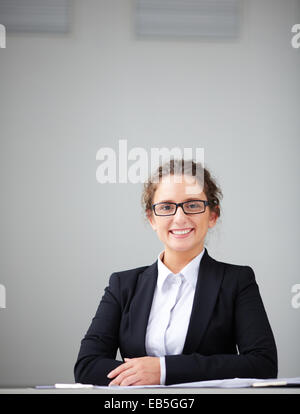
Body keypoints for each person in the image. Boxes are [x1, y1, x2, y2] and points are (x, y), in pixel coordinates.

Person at [74, 159, 277, 386]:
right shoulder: (122, 285)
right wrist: (143, 373)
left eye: (192, 205)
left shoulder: (237, 281)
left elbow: (263, 365)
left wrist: (163, 370)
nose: (179, 218)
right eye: (166, 207)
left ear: (212, 215)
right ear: (151, 218)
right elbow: (87, 366)